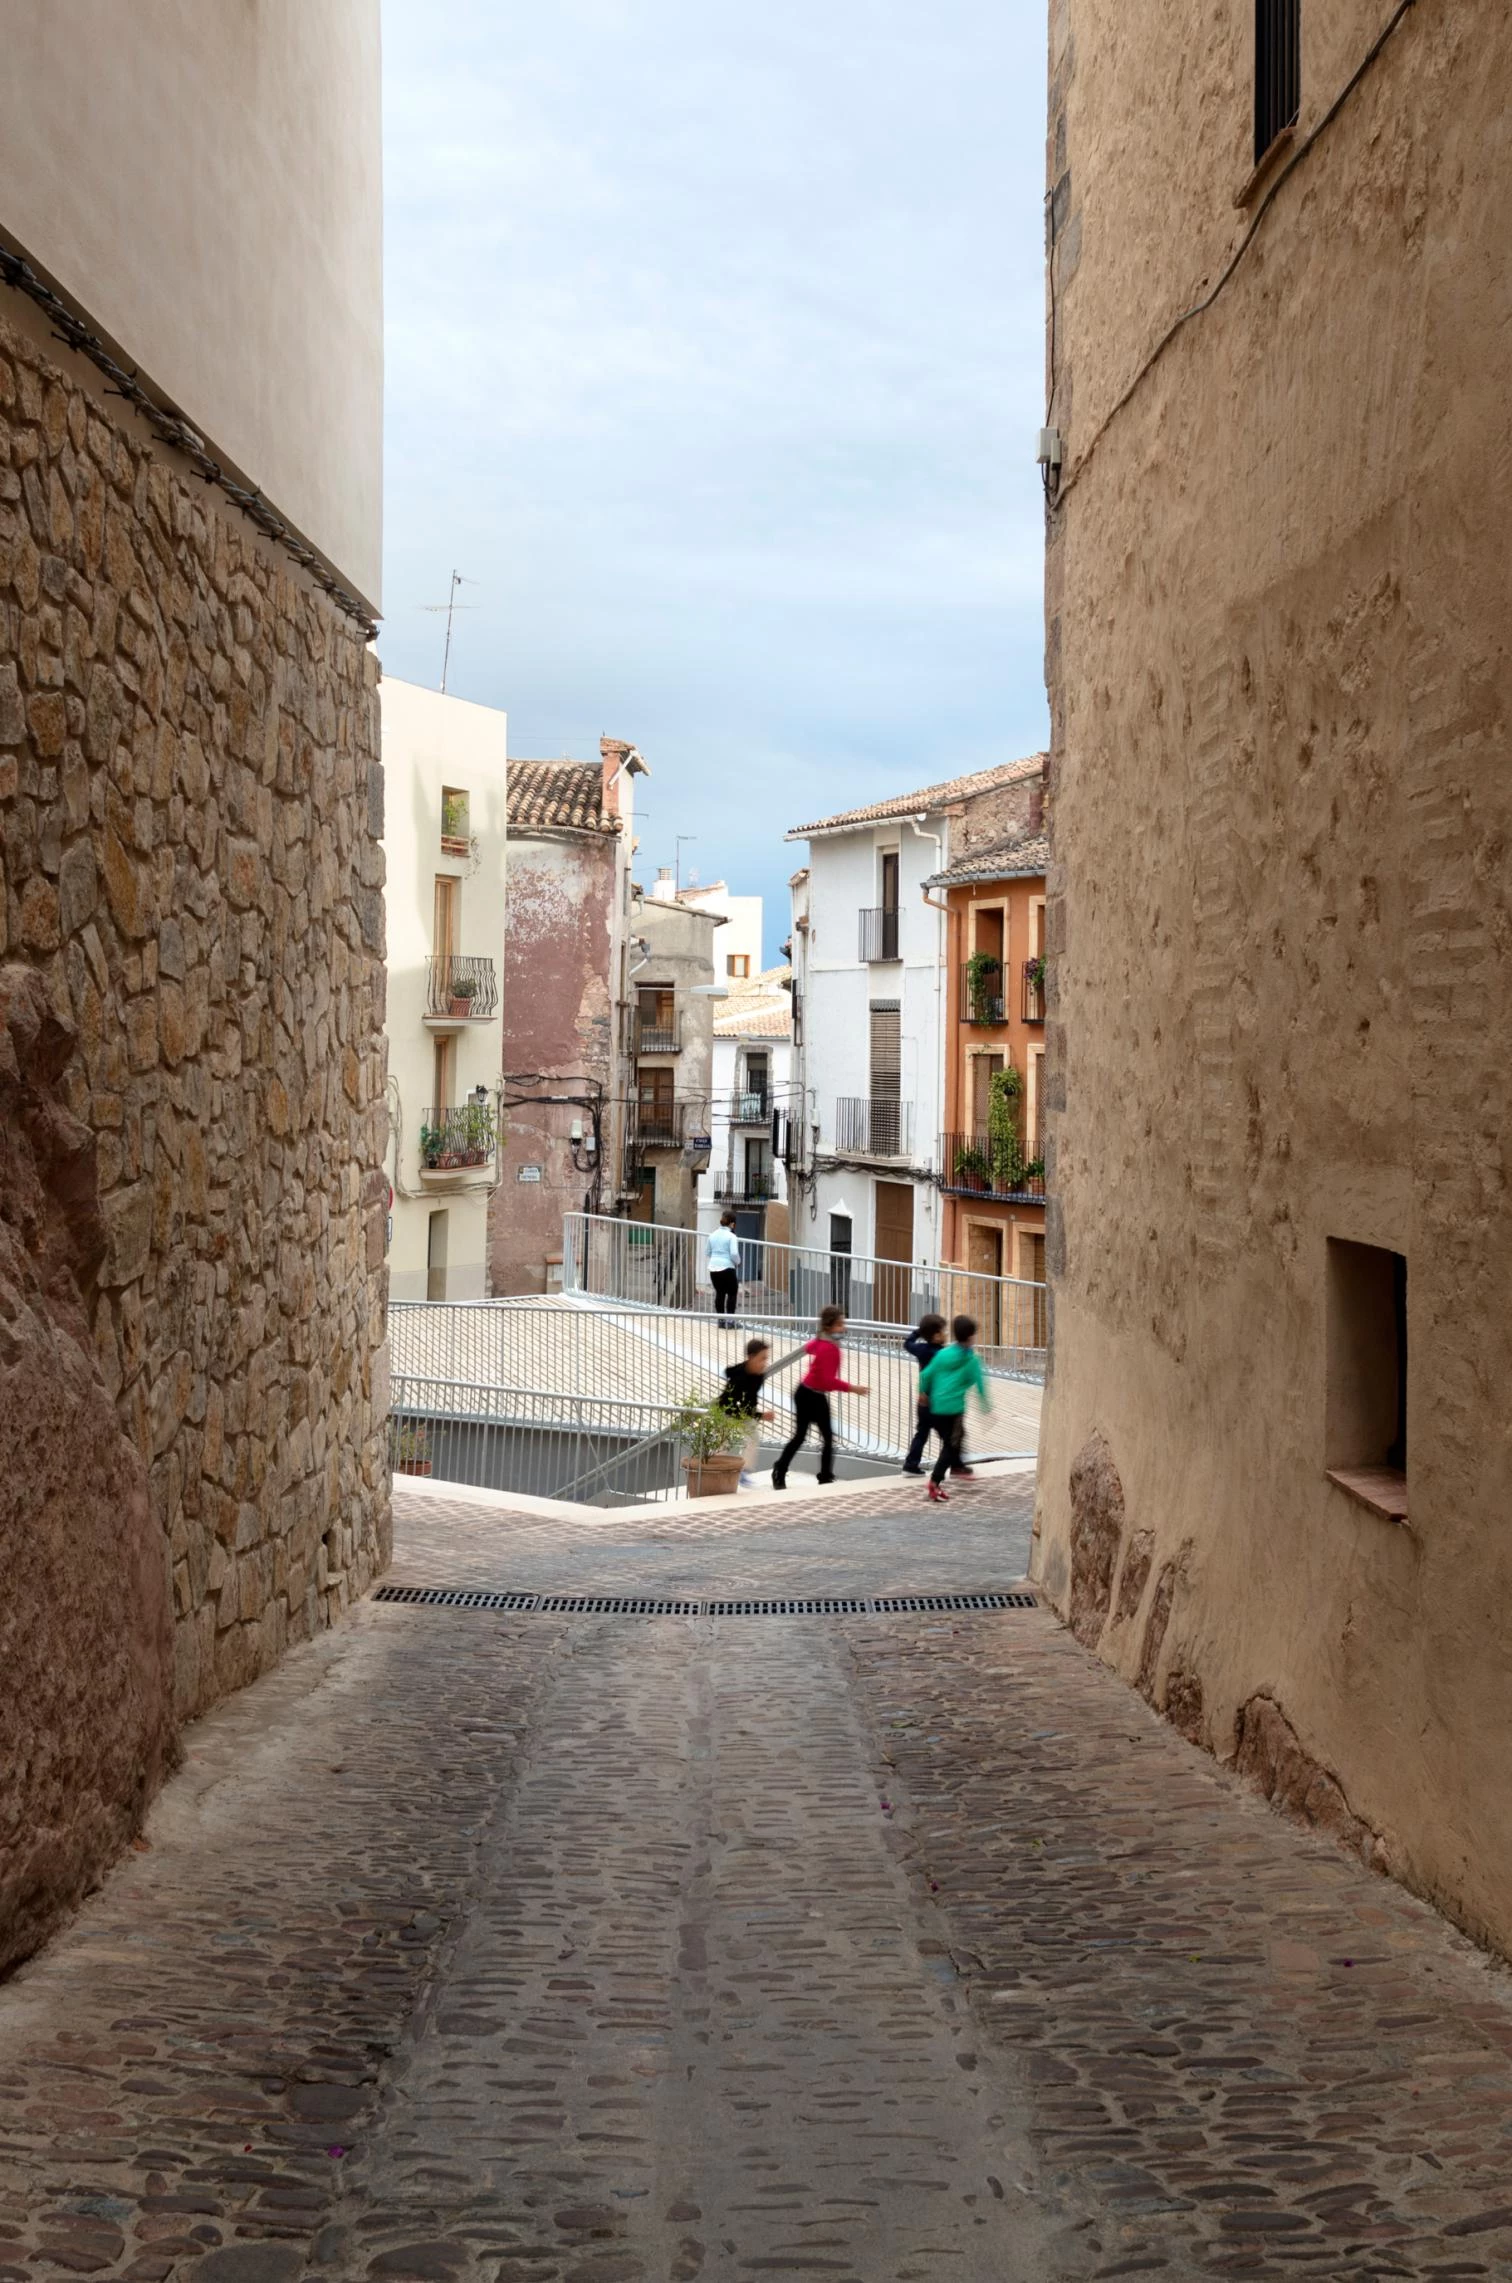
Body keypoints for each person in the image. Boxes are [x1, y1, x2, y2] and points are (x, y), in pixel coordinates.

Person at [771, 1305, 868, 1489]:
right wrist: (852, 1388)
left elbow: (809, 1348)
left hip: (805, 1392)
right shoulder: (830, 1349)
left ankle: (782, 1469)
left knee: (804, 1437)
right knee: (821, 1438)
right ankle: (823, 1476)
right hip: (813, 1396)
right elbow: (827, 1381)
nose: (843, 1328)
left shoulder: (823, 1342)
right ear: (829, 1327)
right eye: (840, 1324)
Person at [917, 1315, 990, 1503]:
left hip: (936, 1407)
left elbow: (926, 1374)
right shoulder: (972, 1360)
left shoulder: (943, 1354)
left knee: (953, 1441)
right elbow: (980, 1386)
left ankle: (948, 1473)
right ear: (971, 1336)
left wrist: (923, 1393)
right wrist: (986, 1408)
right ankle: (934, 1481)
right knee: (952, 1445)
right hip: (954, 1409)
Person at [723, 1337, 776, 1488]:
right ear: (751, 1357)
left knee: (753, 1437)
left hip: (743, 1412)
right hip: (727, 1411)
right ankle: (715, 1470)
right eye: (762, 1359)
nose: (765, 1363)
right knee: (722, 1443)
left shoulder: (759, 1376)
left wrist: (758, 1415)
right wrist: (761, 1416)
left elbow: (751, 1402)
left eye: (766, 1359)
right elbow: (732, 1405)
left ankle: (744, 1472)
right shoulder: (738, 1376)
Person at [901, 1311, 947, 1475]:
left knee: (921, 1433)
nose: (945, 1334)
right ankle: (956, 1464)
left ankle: (910, 1465)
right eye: (943, 1331)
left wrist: (918, 1332)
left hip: (923, 1400)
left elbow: (907, 1343)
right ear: (935, 1335)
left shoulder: (921, 1349)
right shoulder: (941, 1353)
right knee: (949, 1437)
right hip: (937, 1401)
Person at [707, 1209, 740, 1319]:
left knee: (720, 1293)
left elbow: (708, 1252)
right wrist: (738, 1262)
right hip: (727, 1268)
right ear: (732, 1224)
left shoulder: (712, 1235)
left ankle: (721, 1320)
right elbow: (734, 1253)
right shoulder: (731, 1236)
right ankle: (730, 1321)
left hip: (713, 1268)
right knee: (732, 1293)